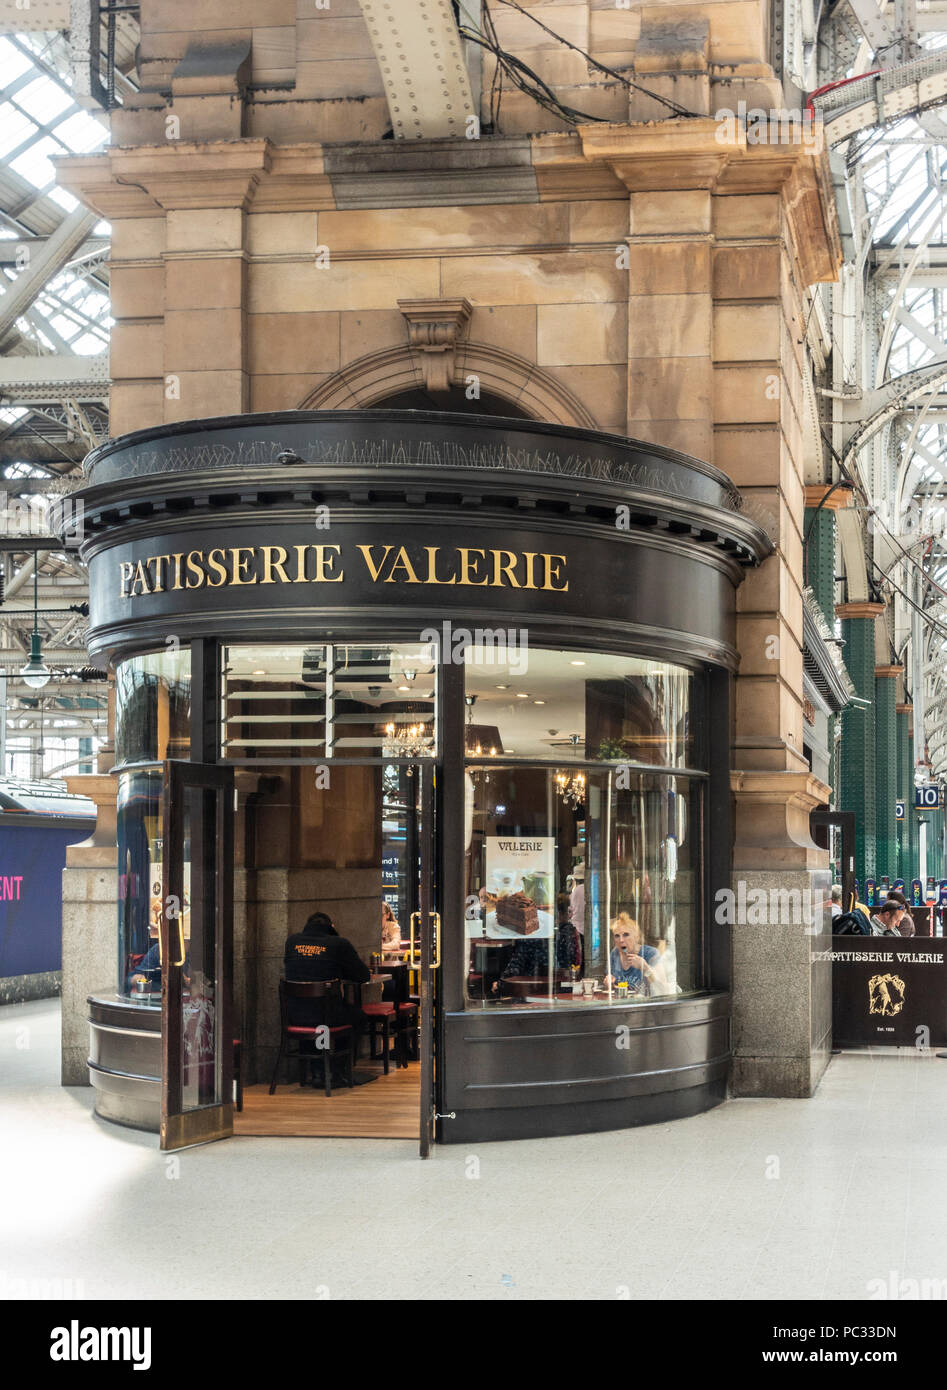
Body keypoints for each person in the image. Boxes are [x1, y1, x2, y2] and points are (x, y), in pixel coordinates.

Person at [283, 911, 370, 1052]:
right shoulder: (339, 944)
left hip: (294, 1015)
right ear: (331, 927)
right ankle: (339, 1068)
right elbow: (363, 976)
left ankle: (316, 1069)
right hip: (328, 1016)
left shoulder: (292, 941)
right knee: (358, 1017)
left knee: (312, 1014)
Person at [605, 912, 669, 996]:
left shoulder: (650, 953)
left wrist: (645, 968)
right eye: (617, 936)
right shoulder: (615, 954)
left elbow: (664, 991)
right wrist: (610, 983)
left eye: (626, 935)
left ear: (637, 937)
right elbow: (613, 990)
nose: (621, 940)